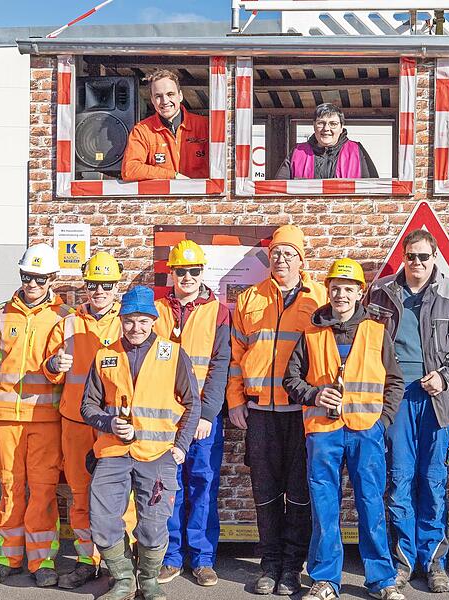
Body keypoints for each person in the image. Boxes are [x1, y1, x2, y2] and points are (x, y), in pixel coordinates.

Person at [283, 258, 405, 600]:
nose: (341, 295)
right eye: (336, 288)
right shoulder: (311, 333)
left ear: (359, 293)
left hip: (366, 431)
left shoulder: (377, 331)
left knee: (371, 505)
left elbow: (395, 382)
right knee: (324, 508)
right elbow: (290, 380)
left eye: (348, 289)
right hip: (323, 431)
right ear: (328, 291)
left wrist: (383, 422)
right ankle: (325, 580)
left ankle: (382, 580)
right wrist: (314, 394)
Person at [366, 229, 449, 593]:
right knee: (399, 480)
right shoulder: (381, 293)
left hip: (438, 400)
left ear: (435, 258)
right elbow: (367, 342)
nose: (416, 263)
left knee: (433, 481)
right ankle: (404, 560)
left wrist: (444, 376)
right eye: (410, 256)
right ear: (403, 257)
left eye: (423, 257)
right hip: (395, 398)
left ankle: (434, 562)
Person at [81, 285, 201, 600]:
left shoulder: (172, 354)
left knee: (153, 524)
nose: (136, 328)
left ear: (153, 320)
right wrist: (108, 423)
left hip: (157, 455)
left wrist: (181, 445)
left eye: (143, 321)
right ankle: (123, 579)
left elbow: (193, 403)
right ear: (121, 320)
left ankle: (148, 581)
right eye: (130, 321)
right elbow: (88, 406)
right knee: (103, 519)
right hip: (112, 452)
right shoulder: (105, 355)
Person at [227, 224, 328, 595]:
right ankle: (269, 564)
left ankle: (292, 567)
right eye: (276, 253)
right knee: (265, 492)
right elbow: (236, 356)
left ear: (302, 260)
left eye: (289, 253)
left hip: (302, 412)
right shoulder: (250, 298)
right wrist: (236, 400)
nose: (281, 259)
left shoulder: (320, 297)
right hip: (261, 413)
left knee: (300, 492)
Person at [0, 244, 72, 587]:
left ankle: (42, 561)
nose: (31, 283)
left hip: (46, 418)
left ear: (52, 278)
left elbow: (66, 370)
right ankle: (6, 558)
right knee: (10, 488)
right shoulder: (0, 314)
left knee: (44, 491)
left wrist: (55, 368)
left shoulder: (65, 317)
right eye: (26, 276)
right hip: (6, 418)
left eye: (39, 278)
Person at [42, 251, 124, 589]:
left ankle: (119, 563)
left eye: (106, 284)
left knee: (119, 495)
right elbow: (49, 368)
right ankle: (87, 560)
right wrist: (53, 366)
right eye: (93, 284)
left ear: (117, 286)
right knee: (80, 494)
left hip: (112, 424)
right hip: (76, 421)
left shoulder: (127, 321)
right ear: (85, 286)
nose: (99, 291)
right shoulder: (68, 323)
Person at [153, 240, 231, 587]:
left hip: (201, 419)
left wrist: (207, 414)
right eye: (181, 271)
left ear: (202, 273)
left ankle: (202, 559)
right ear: (171, 273)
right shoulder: (156, 310)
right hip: (164, 417)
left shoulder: (218, 312)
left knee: (203, 485)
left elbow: (220, 365)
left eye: (194, 271)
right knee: (169, 487)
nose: (187, 277)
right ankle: (170, 556)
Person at [121, 69, 209, 181]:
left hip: (200, 192)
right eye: (158, 96)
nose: (165, 101)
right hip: (162, 193)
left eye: (170, 94)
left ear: (180, 96)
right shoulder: (142, 131)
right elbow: (130, 170)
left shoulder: (205, 125)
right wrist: (173, 175)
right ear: (152, 100)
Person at [274, 103, 378, 180]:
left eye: (333, 124)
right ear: (314, 125)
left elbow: (373, 189)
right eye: (321, 123)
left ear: (341, 127)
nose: (326, 128)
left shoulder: (357, 150)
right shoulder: (297, 152)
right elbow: (279, 189)